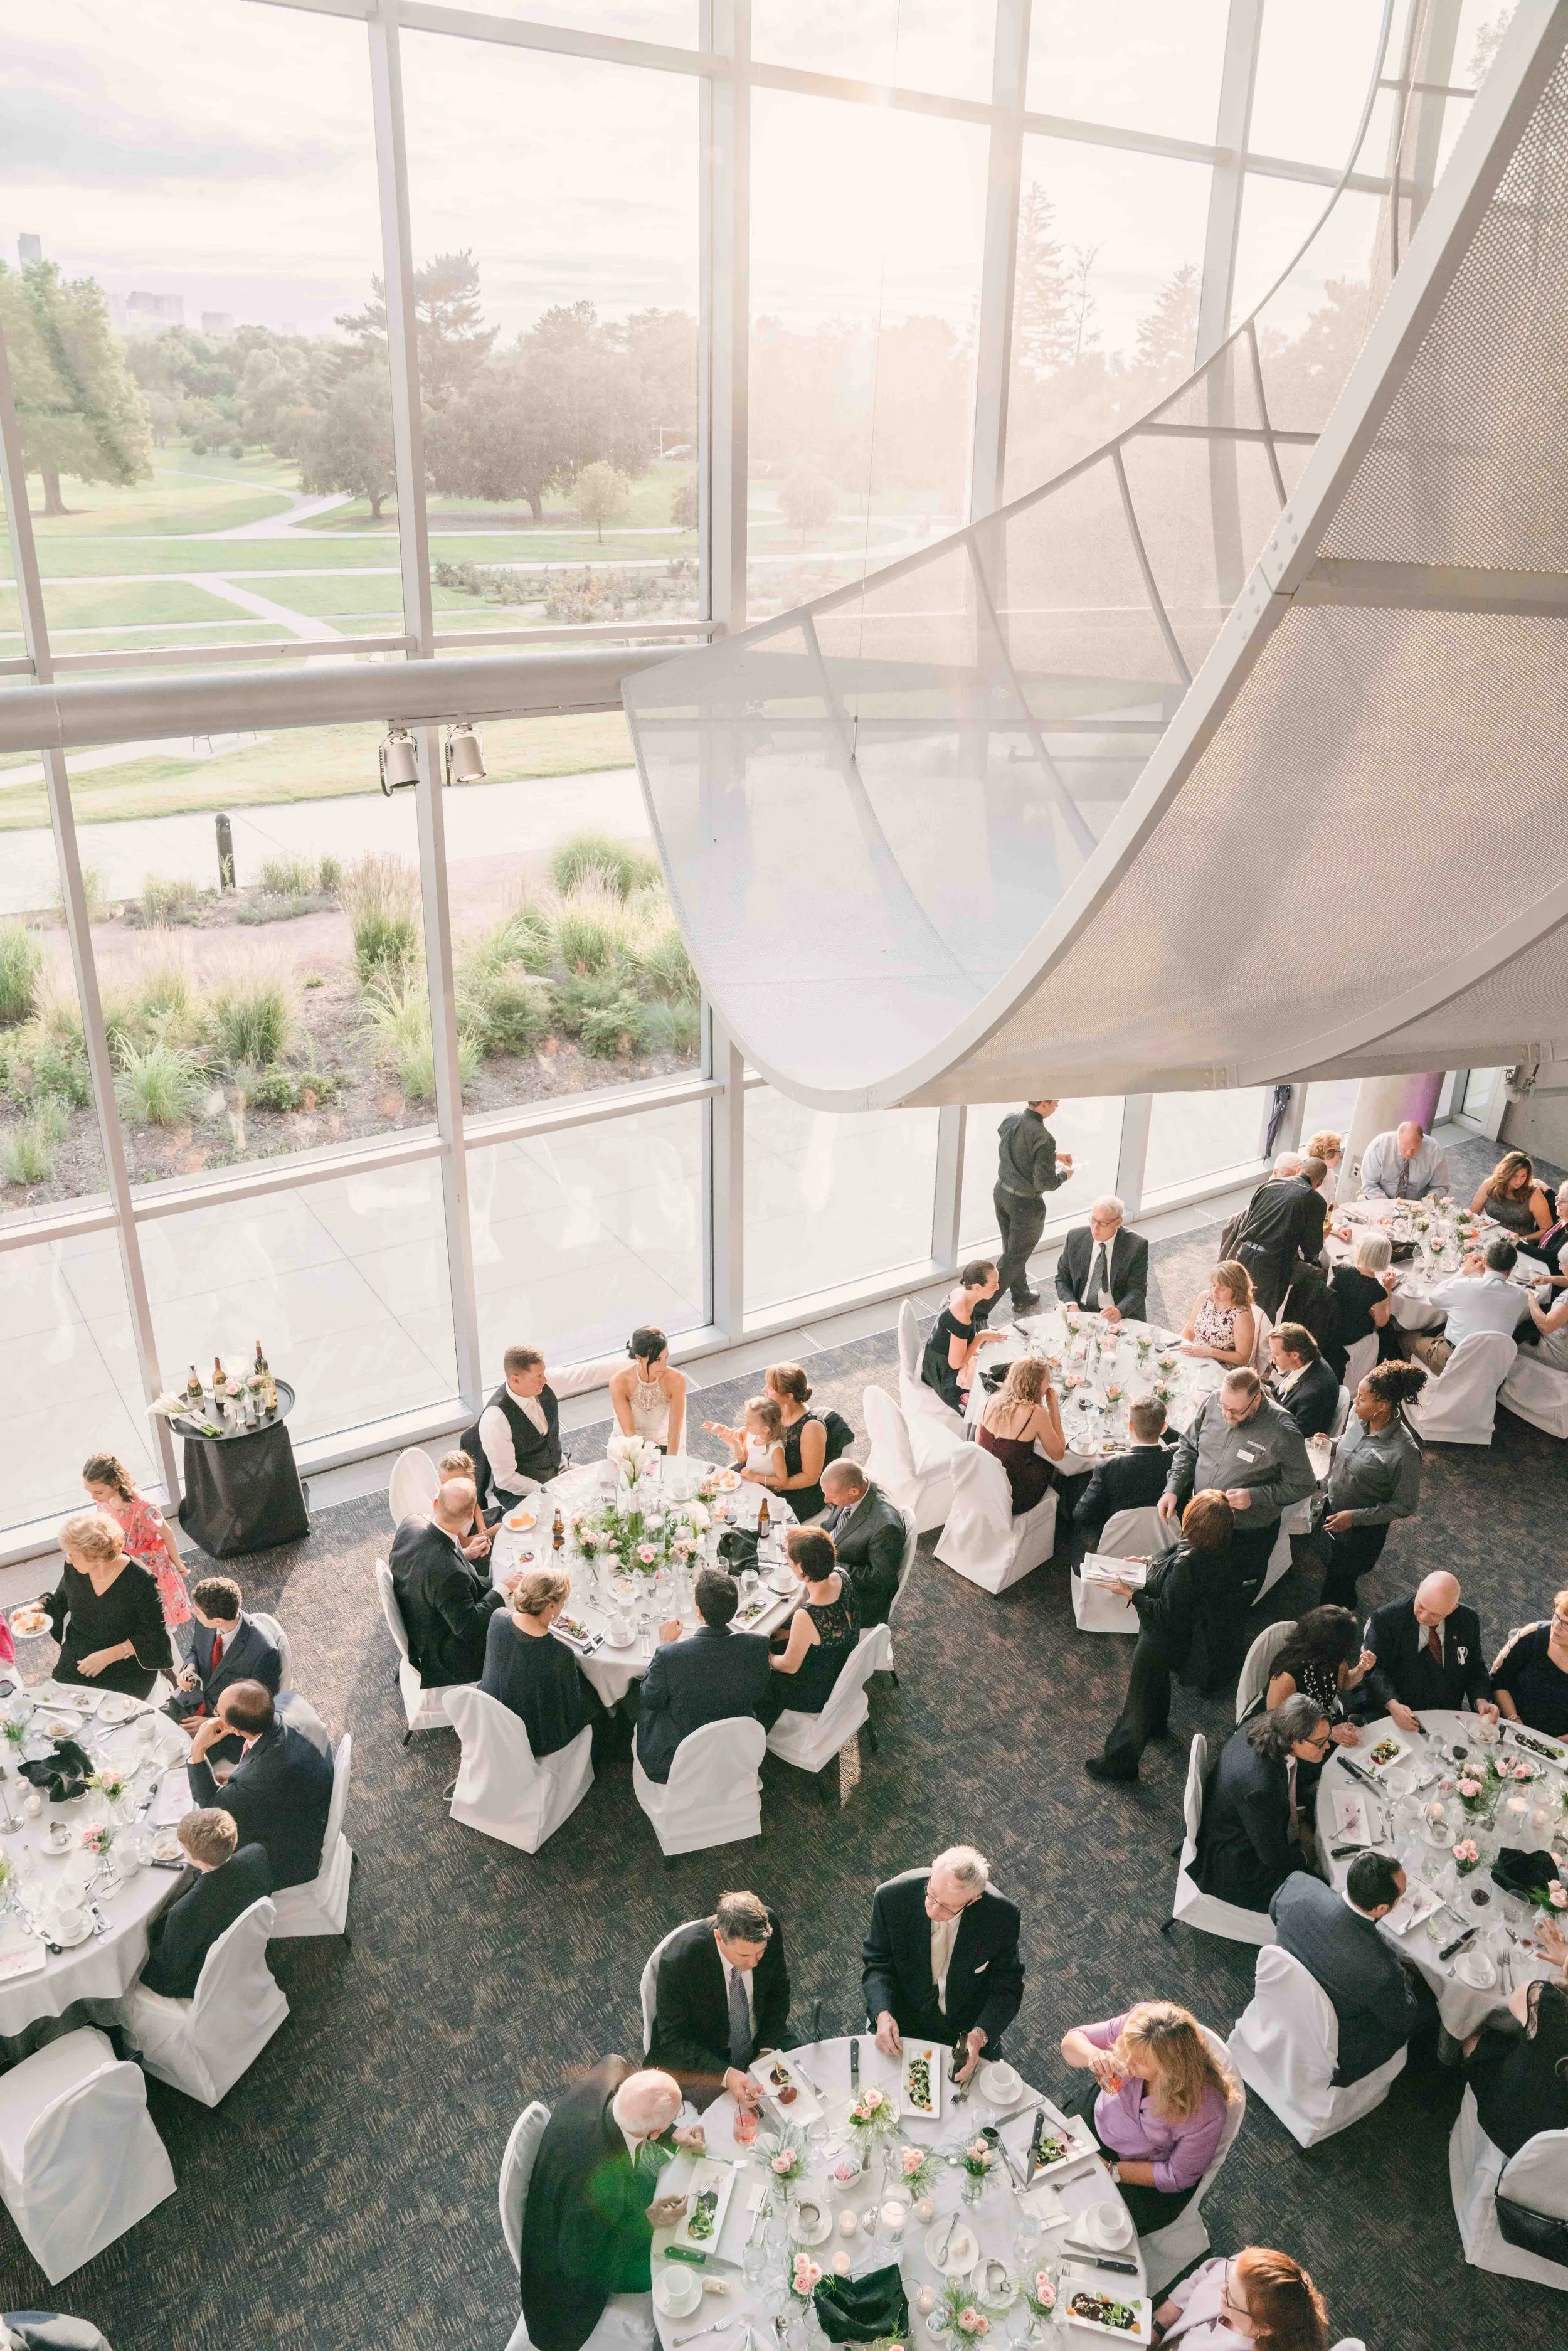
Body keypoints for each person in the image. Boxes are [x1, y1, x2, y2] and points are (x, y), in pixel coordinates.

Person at [517, 2059, 704, 2351]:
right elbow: (585, 2267)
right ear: (651, 2133)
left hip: (574, 2196)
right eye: (668, 2124)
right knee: (675, 2266)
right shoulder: (589, 2199)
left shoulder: (612, 2070)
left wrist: (674, 2134)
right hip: (568, 2288)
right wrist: (650, 2226)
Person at [1084, 1490, 1234, 1783]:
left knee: (1137, 1698)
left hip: (1161, 1638)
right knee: (1155, 1681)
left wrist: (1131, 1594)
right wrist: (1146, 1563)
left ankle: (1121, 1762)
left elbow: (1166, 1614)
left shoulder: (1186, 1567)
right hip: (1179, 1635)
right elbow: (1173, 1564)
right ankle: (1156, 1725)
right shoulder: (1211, 1550)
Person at [1059, 2001, 1239, 2234]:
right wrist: (1093, 2054)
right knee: (1043, 2166)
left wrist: (1112, 2169)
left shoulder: (1205, 2111)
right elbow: (1071, 2042)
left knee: (1085, 2226)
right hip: (1100, 2117)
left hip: (1139, 2172)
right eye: (1127, 2049)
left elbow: (1177, 2175)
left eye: (1140, 2062)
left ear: (1169, 2072)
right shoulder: (1141, 2024)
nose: (1126, 2060)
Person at [1159, 1368, 1315, 1633]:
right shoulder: (1214, 1401)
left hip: (1245, 1533)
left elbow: (1303, 1485)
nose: (1227, 1415)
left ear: (1256, 1401)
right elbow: (1188, 1446)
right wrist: (1173, 1486)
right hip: (1201, 1517)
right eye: (1224, 1408)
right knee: (1189, 1583)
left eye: (1236, 1412)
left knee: (1226, 1605)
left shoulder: (1283, 1432)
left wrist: (1255, 1497)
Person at [862, 1847, 1023, 2082]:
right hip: (902, 2015)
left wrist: (978, 2036)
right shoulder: (891, 1897)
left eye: (947, 1907)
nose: (932, 1909)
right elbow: (877, 1961)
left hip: (963, 2028)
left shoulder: (1001, 1917)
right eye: (931, 1894)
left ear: (973, 1900)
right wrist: (883, 2014)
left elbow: (1007, 1988)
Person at [1270, 1855, 1426, 2084]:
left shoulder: (1298, 1885)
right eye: (1402, 1894)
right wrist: (1404, 1978)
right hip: (1335, 2041)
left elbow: (1274, 1914)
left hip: (1283, 1993)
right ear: (1381, 1909)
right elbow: (1405, 2020)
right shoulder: (1381, 1969)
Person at [647, 1891, 790, 2111]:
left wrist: (767, 2048)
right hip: (707, 2053)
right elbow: (673, 2040)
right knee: (735, 2116)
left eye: (760, 1953)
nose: (753, 1963)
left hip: (761, 2034)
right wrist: (725, 2074)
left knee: (798, 2086)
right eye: (743, 1956)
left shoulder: (771, 1925)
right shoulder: (679, 1962)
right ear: (718, 1938)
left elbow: (779, 1992)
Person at [186, 1681, 335, 1890]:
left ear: (234, 1730)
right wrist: (237, 1780)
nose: (214, 1713)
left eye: (217, 1712)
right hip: (305, 1786)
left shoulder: (258, 1777)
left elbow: (211, 1808)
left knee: (210, 1846)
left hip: (295, 1846)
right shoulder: (285, 1700)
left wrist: (198, 1749)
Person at [1190, 1697, 1330, 1914]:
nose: (1327, 1746)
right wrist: (1306, 1855)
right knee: (1325, 1894)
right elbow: (1273, 1858)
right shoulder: (1261, 1787)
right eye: (1321, 1742)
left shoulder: (1271, 1723)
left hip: (1244, 1822)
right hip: (1236, 1863)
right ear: (1294, 1740)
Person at [635, 1568, 772, 1783]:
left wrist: (665, 1644)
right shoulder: (758, 1643)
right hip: (737, 1744)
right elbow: (759, 1690)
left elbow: (650, 1699)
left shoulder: (670, 1656)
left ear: (698, 1612)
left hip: (681, 1756)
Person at [1315, 1363, 1426, 1612]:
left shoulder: (1404, 1453)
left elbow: (1405, 1505)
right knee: (1330, 1561)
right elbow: (1349, 1444)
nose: (1354, 1402)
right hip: (1333, 1507)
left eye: (1362, 1399)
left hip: (1360, 1533)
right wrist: (1330, 1444)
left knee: (1338, 1583)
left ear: (1382, 1407)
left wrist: (1353, 1518)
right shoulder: (1360, 1416)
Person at [137, 1806, 273, 2000]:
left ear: (199, 1861)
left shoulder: (184, 1913)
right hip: (247, 1940)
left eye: (182, 1847)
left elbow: (171, 1969)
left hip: (208, 1976)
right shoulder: (256, 1853)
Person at [389, 1476, 508, 1687]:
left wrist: (465, 1555)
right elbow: (468, 1629)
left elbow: (428, 1564)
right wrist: (502, 1590)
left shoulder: (411, 1524)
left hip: (422, 1615)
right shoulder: (451, 1576)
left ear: (436, 1504)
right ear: (471, 1515)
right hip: (445, 1656)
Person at [467, 1342, 615, 1510]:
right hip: (524, 1491)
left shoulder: (544, 1384)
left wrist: (635, 1365)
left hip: (559, 1471)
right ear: (516, 1379)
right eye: (538, 1376)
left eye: (543, 1373)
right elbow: (506, 1479)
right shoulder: (496, 1420)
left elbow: (586, 1374)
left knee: (605, 1495)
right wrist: (548, 1491)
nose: (544, 1380)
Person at [43, 1511, 172, 1700]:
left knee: (114, 1716)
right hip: (81, 1651)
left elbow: (155, 1635)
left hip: (125, 1661)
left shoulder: (139, 1580)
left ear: (96, 1556)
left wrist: (109, 1656)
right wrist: (37, 1608)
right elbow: (61, 1598)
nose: (69, 1559)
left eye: (73, 1554)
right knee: (59, 1704)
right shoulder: (74, 1567)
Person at [481, 1565, 603, 1761]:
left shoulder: (498, 1616)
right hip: (534, 1737)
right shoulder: (559, 1653)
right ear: (551, 1607)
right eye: (563, 1601)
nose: (564, 1606)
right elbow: (572, 1706)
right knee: (599, 1700)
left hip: (492, 1715)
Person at [1362, 1573, 1499, 1731]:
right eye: (1420, 1606)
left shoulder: (1468, 1620)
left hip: (1444, 1709)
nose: (1424, 1617)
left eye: (1435, 1615)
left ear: (1452, 1609)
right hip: (1398, 1704)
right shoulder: (1387, 1618)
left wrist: (1481, 1700)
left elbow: (1474, 1667)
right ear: (1419, 1588)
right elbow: (1373, 1668)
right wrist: (1392, 1704)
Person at [81, 1452, 190, 1646]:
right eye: (89, 1491)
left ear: (115, 1483)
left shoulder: (143, 1507)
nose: (93, 1497)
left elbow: (167, 1534)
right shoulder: (105, 1501)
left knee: (156, 1616)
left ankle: (165, 1652)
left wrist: (178, 1562)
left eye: (97, 1492)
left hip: (148, 1567)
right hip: (122, 1563)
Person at [758, 1528, 856, 1726]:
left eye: (790, 1560)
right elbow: (833, 1624)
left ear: (801, 1568)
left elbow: (788, 1666)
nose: (787, 1561)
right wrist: (790, 1634)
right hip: (838, 1664)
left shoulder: (807, 1615)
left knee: (753, 1671)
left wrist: (765, 1656)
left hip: (814, 1691)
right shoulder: (841, 1575)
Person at [1463, 1977, 1568, 2160]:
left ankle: (1445, 2054)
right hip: (1554, 2160)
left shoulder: (1553, 2003)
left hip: (1504, 2124)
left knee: (1474, 2032)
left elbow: (1516, 2000)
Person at [1151, 2246, 1329, 2350]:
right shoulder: (1246, 2271)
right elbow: (1206, 2273)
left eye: (1233, 2301)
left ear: (1265, 2328)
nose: (1223, 2289)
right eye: (1229, 2278)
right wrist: (1159, 2324)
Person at [168, 1576, 282, 1727]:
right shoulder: (206, 1620)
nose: (193, 1612)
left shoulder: (264, 1652)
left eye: (197, 1611)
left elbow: (258, 1707)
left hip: (230, 1721)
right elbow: (195, 1650)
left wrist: (215, 1724)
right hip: (192, 1699)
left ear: (218, 1621)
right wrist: (190, 1667)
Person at [1407, 1234, 1531, 1372]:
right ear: (1512, 1269)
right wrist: (1485, 1275)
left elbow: (1434, 1297)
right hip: (1489, 1369)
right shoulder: (1521, 1297)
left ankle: (1416, 1380)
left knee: (1404, 1336)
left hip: (1452, 1362)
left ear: (1484, 1262)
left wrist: (1464, 1272)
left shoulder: (1465, 1286)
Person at [993, 1098, 1073, 1312]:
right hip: (1025, 1206)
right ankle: (978, 1310)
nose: (1057, 1107)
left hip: (1002, 1193)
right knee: (1013, 1257)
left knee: (1012, 1251)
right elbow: (1044, 1182)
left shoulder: (1011, 1118)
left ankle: (1021, 1296)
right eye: (1055, 1103)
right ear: (1044, 1104)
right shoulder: (1044, 1137)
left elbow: (1011, 1142)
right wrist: (1064, 1175)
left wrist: (1051, 1156)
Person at [1227, 1155, 1330, 1320]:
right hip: (1272, 1264)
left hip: (1244, 1252)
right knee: (1259, 1318)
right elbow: (1311, 1248)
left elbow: (1249, 1220)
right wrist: (1321, 1236)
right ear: (1319, 1183)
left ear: (1299, 1170)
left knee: (1233, 1304)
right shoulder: (1314, 1200)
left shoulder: (1268, 1185)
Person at [1259, 1606, 1372, 1752]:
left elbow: (1344, 1684)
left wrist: (1361, 1668)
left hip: (1320, 1722)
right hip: (1293, 1737)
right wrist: (1329, 1734)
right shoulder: (1286, 1678)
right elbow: (1279, 1730)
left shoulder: (1331, 1660)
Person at [1072, 1396, 1173, 1550]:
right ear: (1164, 1428)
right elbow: (1185, 1442)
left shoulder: (1109, 1466)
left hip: (1111, 1542)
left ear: (1130, 1426)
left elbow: (1081, 1515)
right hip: (1162, 1541)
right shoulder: (1177, 1462)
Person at [819, 1462, 906, 1626]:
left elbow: (881, 1578)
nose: (826, 1500)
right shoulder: (857, 1486)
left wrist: (830, 1566)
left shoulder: (886, 1527)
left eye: (831, 1496)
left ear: (854, 1492)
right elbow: (832, 1524)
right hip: (839, 1557)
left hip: (859, 1597)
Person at [977, 1357, 1064, 1516]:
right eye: (1048, 1381)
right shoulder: (1036, 1413)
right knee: (1050, 1465)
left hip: (981, 1483)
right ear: (1037, 1384)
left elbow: (978, 1446)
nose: (1049, 1385)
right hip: (1010, 1497)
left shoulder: (991, 1400)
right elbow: (1058, 1454)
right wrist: (1053, 1407)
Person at [921, 1260, 1008, 1414]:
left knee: (1002, 1366)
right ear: (977, 1288)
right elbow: (955, 1364)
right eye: (994, 1284)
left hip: (935, 1356)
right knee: (992, 1406)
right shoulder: (961, 1313)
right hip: (945, 1374)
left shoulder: (959, 1293)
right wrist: (981, 1337)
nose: (998, 1287)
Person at [1054, 1196, 1150, 1323]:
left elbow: (1137, 1290)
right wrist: (1072, 1306)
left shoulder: (1136, 1246)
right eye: (1093, 1220)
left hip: (1116, 1312)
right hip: (1081, 1308)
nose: (1095, 1228)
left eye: (1103, 1224)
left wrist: (1120, 1311)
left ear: (1118, 1222)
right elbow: (1062, 1278)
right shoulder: (1075, 1238)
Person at [1322, 1231, 1395, 1382]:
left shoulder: (1342, 1269)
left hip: (1329, 1322)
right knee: (1388, 1331)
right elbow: (1382, 1321)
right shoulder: (1377, 1290)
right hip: (1349, 1332)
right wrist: (1388, 1289)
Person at [1492, 1589, 1568, 1735]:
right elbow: (1497, 1680)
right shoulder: (1532, 1635)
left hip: (1558, 1747)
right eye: (1557, 1616)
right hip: (1508, 1728)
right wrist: (1514, 1721)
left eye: (1566, 1624)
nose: (1556, 1626)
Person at [760, 1364, 829, 1520]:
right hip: (773, 1478)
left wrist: (771, 1483)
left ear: (788, 1396)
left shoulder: (811, 1427)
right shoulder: (776, 1411)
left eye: (770, 1388)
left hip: (797, 1494)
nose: (764, 1390)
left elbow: (810, 1477)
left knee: (756, 1519)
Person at [608, 1326, 687, 1457]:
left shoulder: (676, 1380)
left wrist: (671, 1462)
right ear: (639, 1358)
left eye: (666, 1358)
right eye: (657, 1360)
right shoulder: (619, 1382)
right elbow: (629, 1434)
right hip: (630, 1445)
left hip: (665, 1444)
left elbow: (675, 1433)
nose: (664, 1366)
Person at [1472, 1150, 1557, 1261]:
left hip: (1517, 1246)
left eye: (1524, 1176)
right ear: (1505, 1173)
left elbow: (1547, 1229)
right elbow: (1473, 1214)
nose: (1519, 1181)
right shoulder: (1490, 1185)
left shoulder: (1533, 1194)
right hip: (1488, 1239)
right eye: (1515, 1176)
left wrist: (1522, 1239)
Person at [1264, 1325, 1340, 1440]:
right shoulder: (1306, 1362)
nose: (1272, 1358)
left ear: (1295, 1355)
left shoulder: (1314, 1394)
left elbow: (1297, 1437)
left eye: (1277, 1354)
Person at [1179, 1263, 1258, 1371]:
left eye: (1222, 1289)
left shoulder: (1242, 1316)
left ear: (1237, 1290)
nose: (1214, 1292)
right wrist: (1181, 1352)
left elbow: (1243, 1358)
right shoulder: (1205, 1298)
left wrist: (1210, 1352)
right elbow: (1189, 1330)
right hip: (1196, 1359)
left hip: (1221, 1370)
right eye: (1213, 1285)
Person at [701, 1396, 787, 1485]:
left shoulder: (776, 1450)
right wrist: (726, 1435)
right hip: (747, 1478)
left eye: (749, 1423)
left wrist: (755, 1477)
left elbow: (782, 1481)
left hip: (764, 1486)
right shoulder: (750, 1434)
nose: (745, 1424)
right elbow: (742, 1460)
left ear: (765, 1429)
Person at [1359, 1119, 1450, 1200]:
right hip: (1382, 1199)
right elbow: (1369, 1185)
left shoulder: (1435, 1151)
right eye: (1404, 1148)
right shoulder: (1379, 1147)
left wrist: (1434, 1195)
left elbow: (1441, 1186)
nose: (1409, 1153)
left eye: (1414, 1149)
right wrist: (1390, 1207)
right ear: (1397, 1139)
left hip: (1417, 1204)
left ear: (1422, 1140)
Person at [435, 1450, 491, 1547]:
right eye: (444, 1483)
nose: (449, 1488)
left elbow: (475, 1505)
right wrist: (493, 1531)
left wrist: (482, 1527)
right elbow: (462, 1543)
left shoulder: (465, 1492)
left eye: (455, 1483)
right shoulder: (447, 1505)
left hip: (473, 1531)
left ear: (472, 1479)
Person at [1306, 1128, 1345, 1207]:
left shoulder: (1330, 1172)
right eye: (1338, 1152)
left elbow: (1331, 1203)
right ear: (1328, 1153)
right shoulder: (1312, 1178)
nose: (1340, 1156)